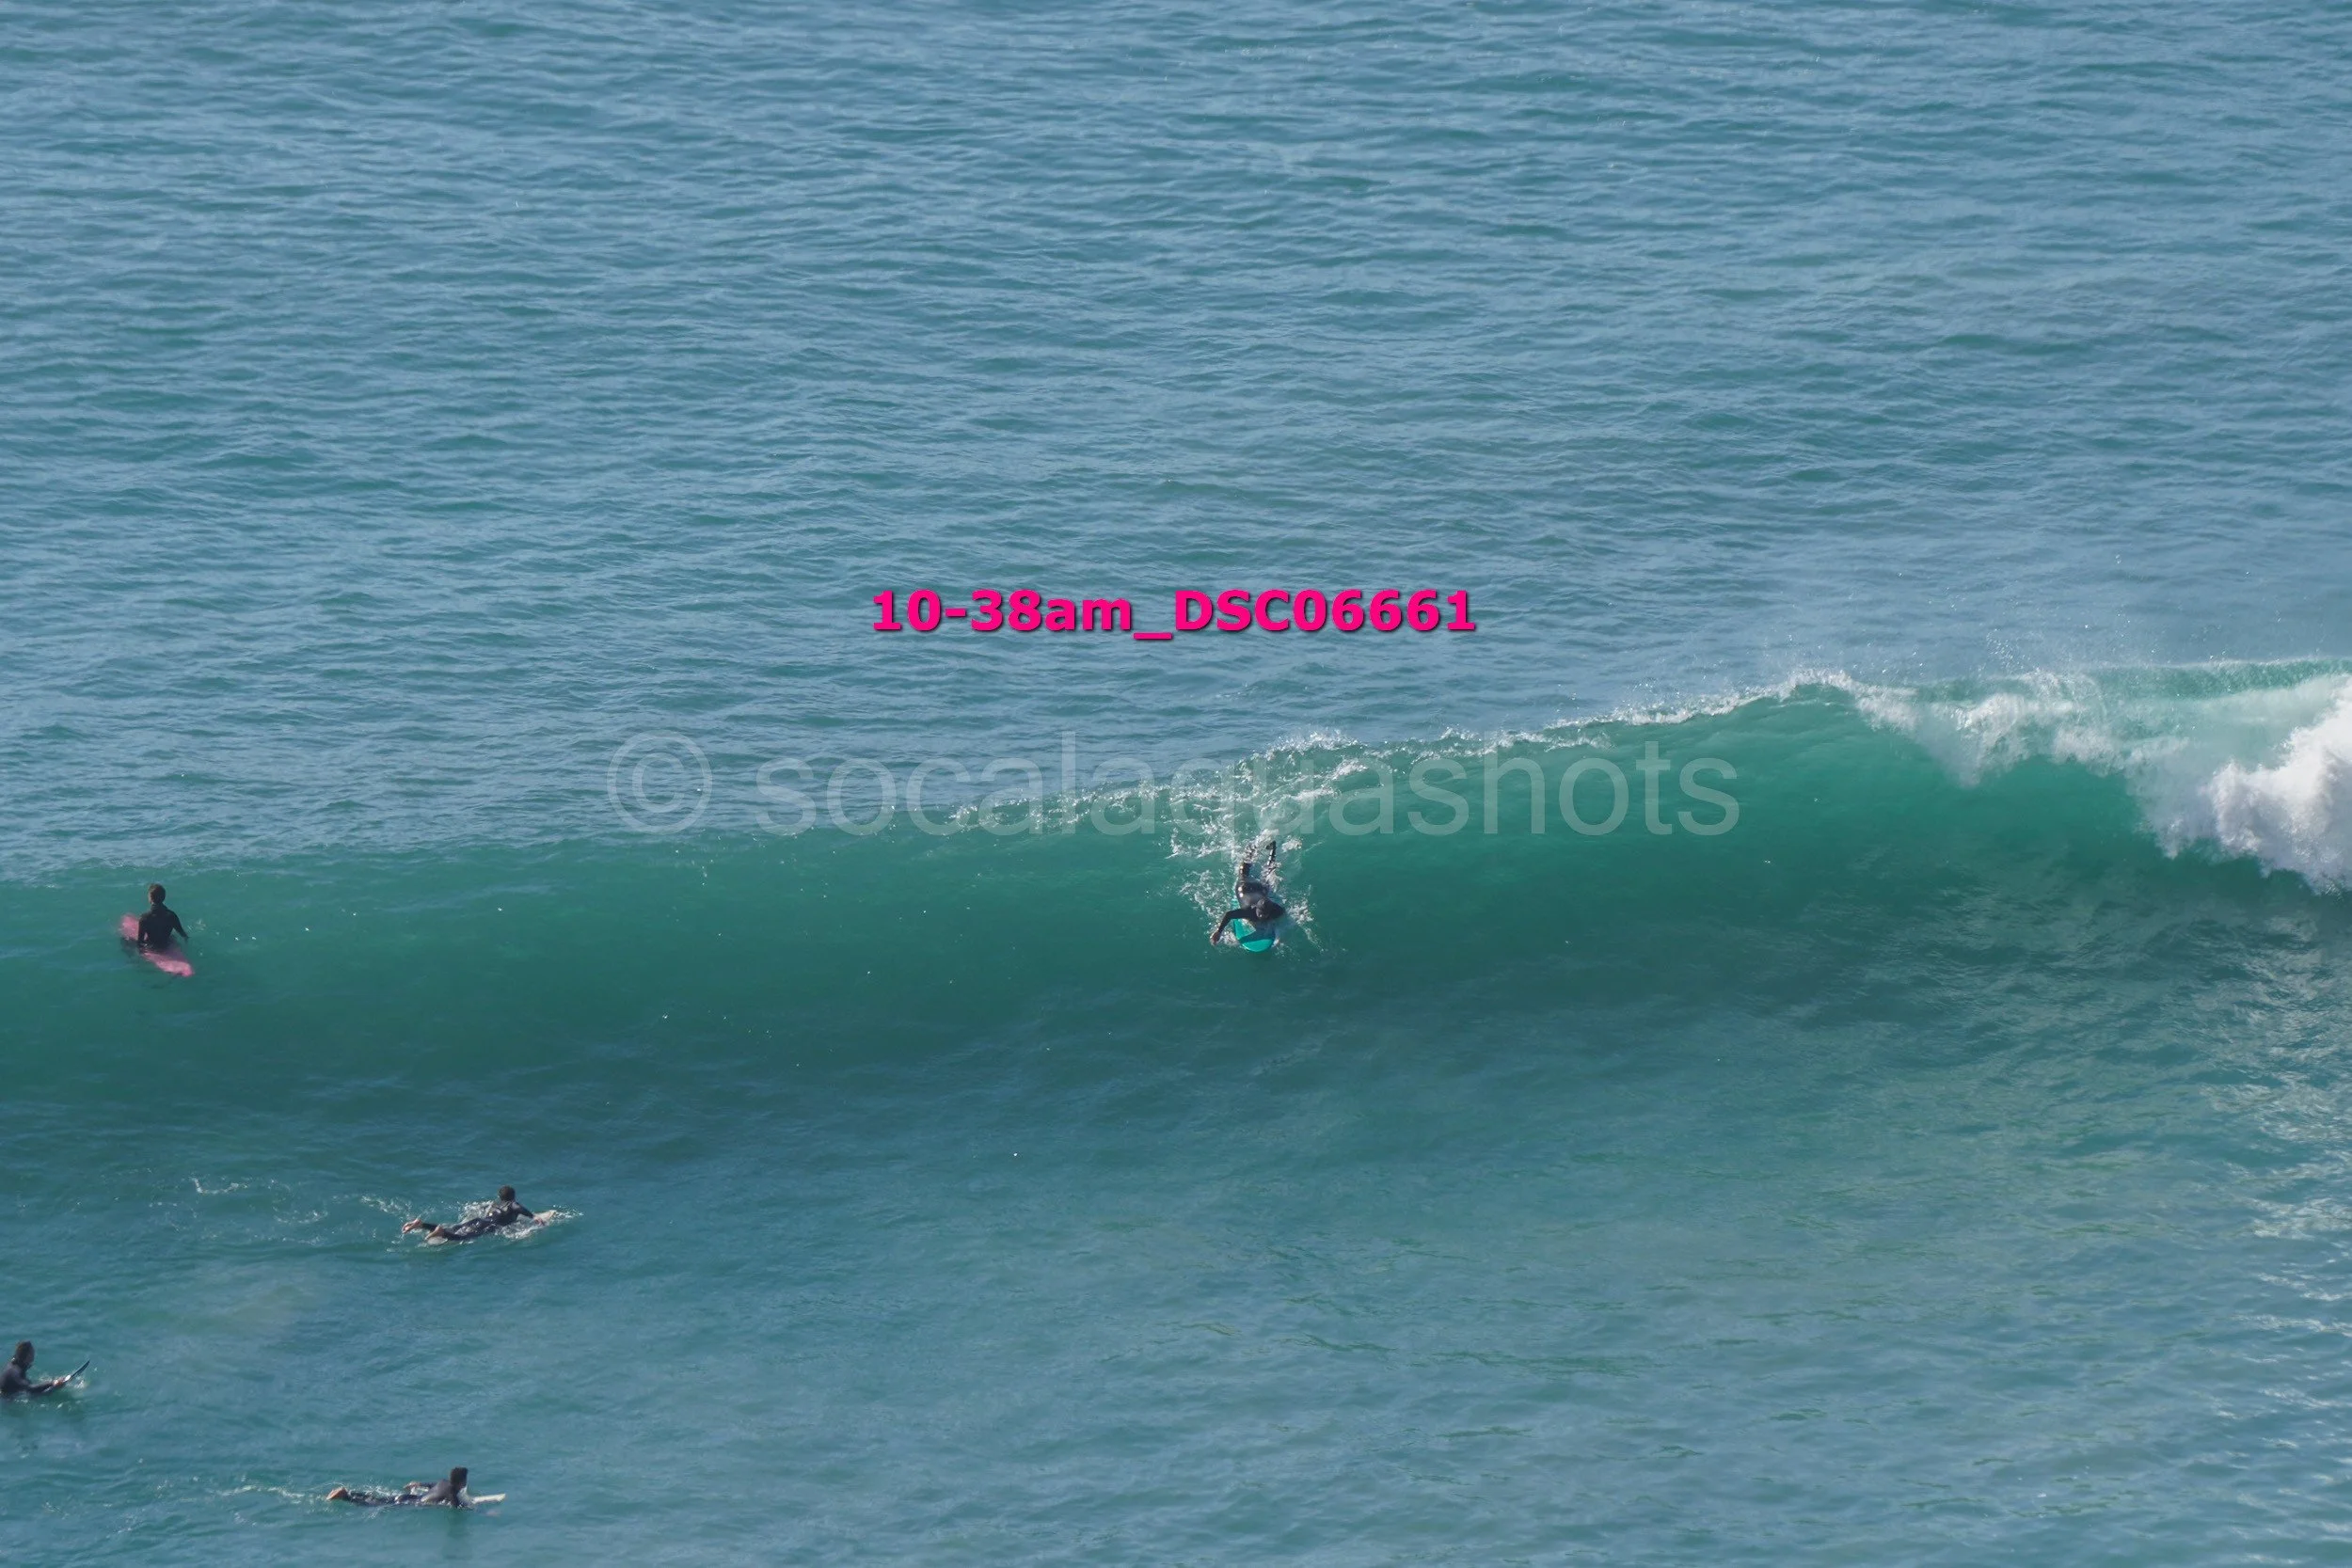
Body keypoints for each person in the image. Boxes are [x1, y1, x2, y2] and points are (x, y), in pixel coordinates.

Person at [1211, 839, 1286, 944]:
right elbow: (1229, 915)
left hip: (1259, 890)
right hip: (1244, 887)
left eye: (1264, 915)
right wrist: (1219, 931)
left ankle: (1273, 848)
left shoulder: (1276, 910)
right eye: (1261, 914)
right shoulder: (1249, 912)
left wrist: (1280, 934)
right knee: (1243, 873)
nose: (1262, 917)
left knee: (1268, 874)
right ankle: (1253, 847)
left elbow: (1284, 916)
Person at [402, 1186, 542, 1243]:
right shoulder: (512, 1204)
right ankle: (441, 1232)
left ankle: (421, 1224)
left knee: (455, 1228)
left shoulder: (496, 1203)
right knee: (462, 1237)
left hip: (479, 1220)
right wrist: (534, 1216)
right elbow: (517, 1207)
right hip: (489, 1226)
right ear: (513, 1197)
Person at [328, 1466, 471, 1507]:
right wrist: (477, 1511)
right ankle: (345, 1496)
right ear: (462, 1482)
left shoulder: (443, 1482)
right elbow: (457, 1507)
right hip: (409, 1502)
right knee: (374, 1504)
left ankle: (350, 1493)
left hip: (408, 1497)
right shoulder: (452, 1493)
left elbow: (430, 1485)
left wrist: (418, 1484)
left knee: (377, 1499)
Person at [1, 1341, 74, 1398]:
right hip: (7, 1399)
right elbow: (30, 1388)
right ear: (28, 1356)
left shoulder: (15, 1363)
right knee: (39, 1394)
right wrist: (53, 1383)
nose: (34, 1354)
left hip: (11, 1391)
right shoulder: (15, 1371)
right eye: (32, 1352)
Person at [135, 884, 187, 951]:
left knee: (126, 940)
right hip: (166, 945)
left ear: (150, 897)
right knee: (173, 937)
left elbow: (140, 942)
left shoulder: (144, 918)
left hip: (152, 948)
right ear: (164, 898)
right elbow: (183, 934)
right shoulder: (171, 915)